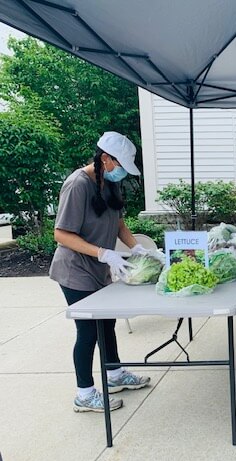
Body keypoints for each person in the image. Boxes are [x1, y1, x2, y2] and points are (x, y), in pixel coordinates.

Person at [49, 131, 152, 412]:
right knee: (87, 331)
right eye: (119, 166)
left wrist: (138, 248)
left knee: (107, 323)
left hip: (99, 268)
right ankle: (84, 393)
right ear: (105, 158)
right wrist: (104, 253)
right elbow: (61, 234)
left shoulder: (108, 183)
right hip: (75, 270)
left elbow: (119, 224)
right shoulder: (77, 185)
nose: (122, 173)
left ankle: (115, 374)